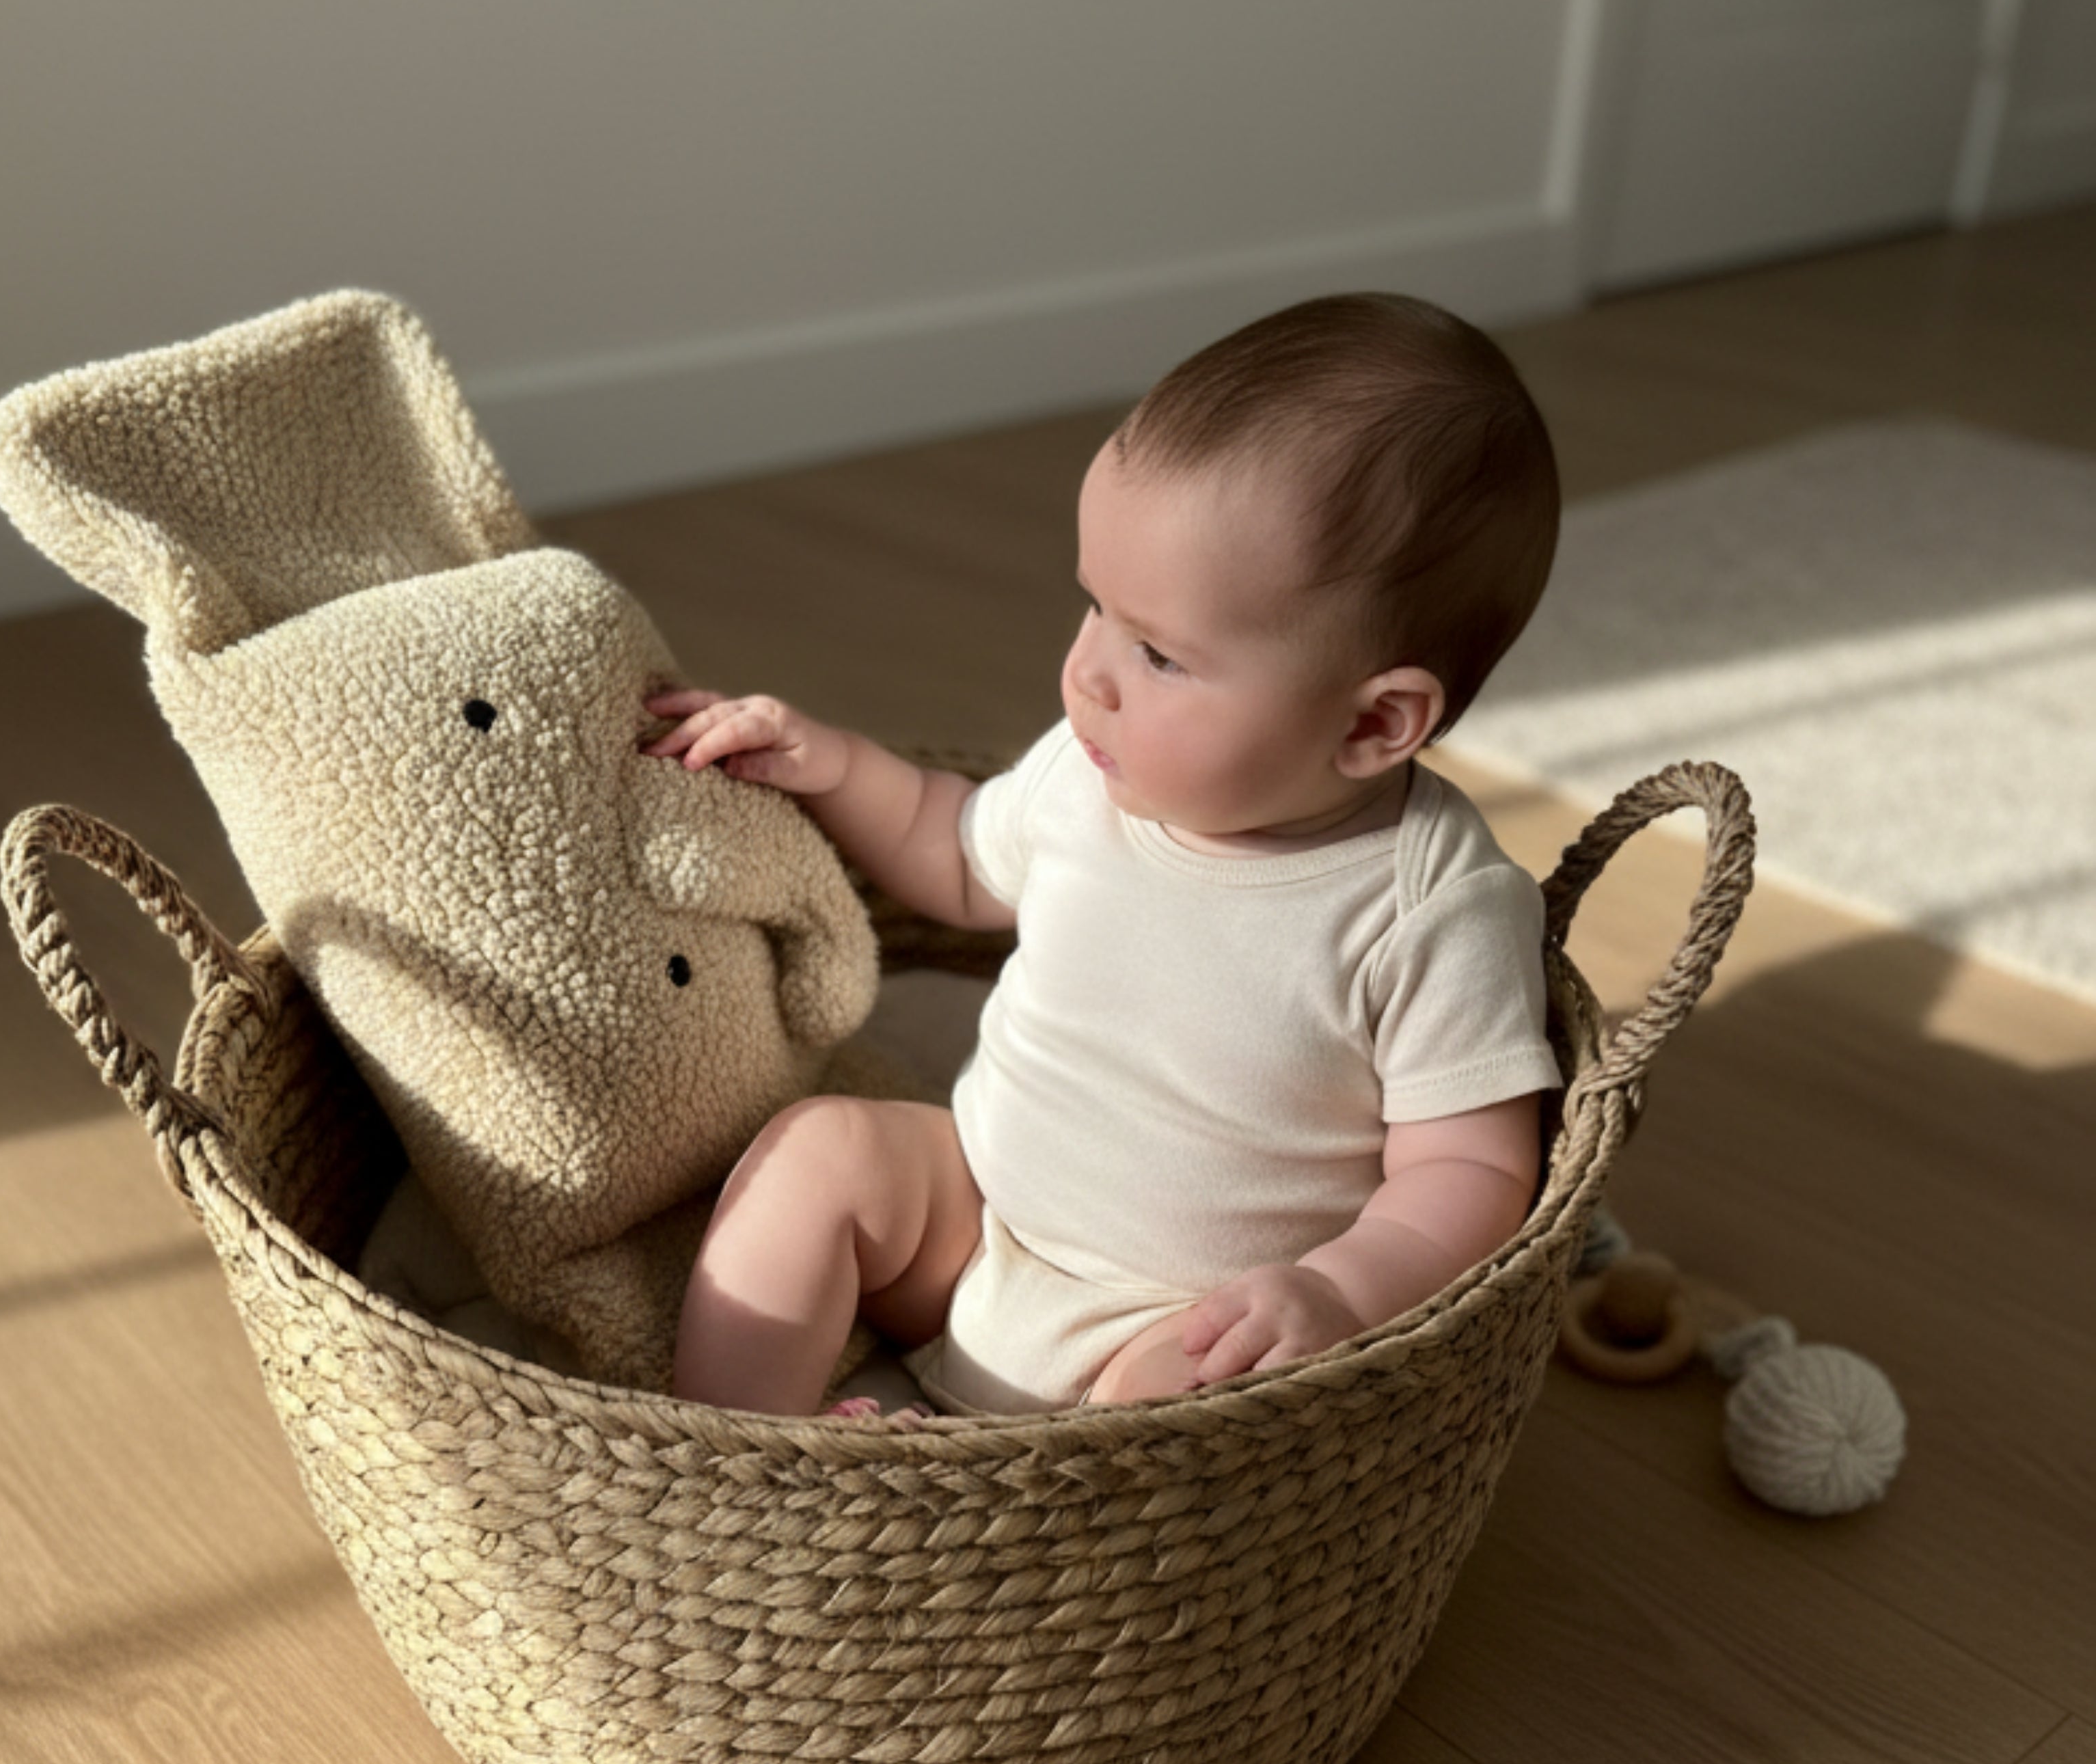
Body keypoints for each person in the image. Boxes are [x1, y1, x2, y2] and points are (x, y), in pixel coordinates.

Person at [642, 292, 1565, 1417]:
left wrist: (1339, 1289)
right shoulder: (1093, 777)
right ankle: (735, 1449)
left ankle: (988, 1487)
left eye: (1159, 655)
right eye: (1095, 609)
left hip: (1174, 1319)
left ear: (1375, 724)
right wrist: (833, 766)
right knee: (819, 1151)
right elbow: (952, 852)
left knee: (1200, 1405)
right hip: (979, 1221)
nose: (1089, 673)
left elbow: (1472, 1169)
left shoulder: (1435, 908)